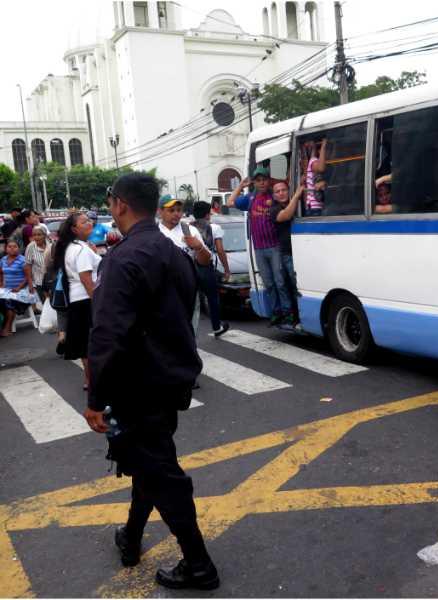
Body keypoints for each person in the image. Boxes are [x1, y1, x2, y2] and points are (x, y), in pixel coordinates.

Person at [83, 172, 219, 591]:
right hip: (169, 380)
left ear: (120, 204)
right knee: (148, 462)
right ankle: (132, 537)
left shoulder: (123, 259)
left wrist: (95, 399)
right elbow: (182, 314)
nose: (110, 208)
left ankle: (198, 564)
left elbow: (107, 336)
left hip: (138, 386)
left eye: (110, 202)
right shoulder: (172, 252)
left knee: (160, 471)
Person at [228, 167, 294, 325]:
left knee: (280, 282)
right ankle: (276, 312)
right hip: (259, 249)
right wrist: (240, 186)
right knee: (269, 283)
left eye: (264, 179)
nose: (262, 182)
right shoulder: (250, 198)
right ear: (254, 182)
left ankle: (288, 312)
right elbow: (230, 202)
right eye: (258, 180)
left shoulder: (274, 195)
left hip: (275, 246)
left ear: (268, 180)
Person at [52, 213, 101, 389]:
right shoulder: (80, 249)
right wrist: (98, 304)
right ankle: (93, 380)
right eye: (84, 221)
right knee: (91, 343)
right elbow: (86, 278)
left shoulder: (74, 247)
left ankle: (89, 379)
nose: (89, 223)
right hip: (86, 300)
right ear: (74, 229)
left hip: (77, 301)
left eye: (89, 220)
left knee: (84, 344)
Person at [158, 194, 211, 336]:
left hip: (187, 290)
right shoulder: (154, 232)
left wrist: (198, 247)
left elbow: (205, 261)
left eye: (179, 210)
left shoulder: (190, 231)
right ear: (160, 211)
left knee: (188, 332)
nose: (176, 213)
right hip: (160, 292)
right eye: (171, 210)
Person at [192, 201, 229, 337]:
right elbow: (220, 250)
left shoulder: (188, 227)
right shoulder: (214, 227)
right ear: (208, 214)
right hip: (206, 267)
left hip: (191, 267)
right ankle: (216, 326)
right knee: (213, 297)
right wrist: (226, 269)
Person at [271, 180, 305, 322]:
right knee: (293, 284)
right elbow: (286, 215)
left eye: (284, 190)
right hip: (288, 253)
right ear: (274, 196)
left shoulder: (296, 202)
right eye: (277, 191)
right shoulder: (274, 209)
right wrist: (296, 196)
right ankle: (295, 315)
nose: (281, 193)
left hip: (302, 250)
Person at [0, 240, 34, 337]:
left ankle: (7, 328)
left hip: (21, 290)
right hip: (7, 290)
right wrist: (1, 283)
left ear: (18, 248)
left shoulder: (23, 260)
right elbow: (1, 273)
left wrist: (19, 287)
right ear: (6, 249)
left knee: (9, 302)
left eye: (14, 246)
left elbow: (28, 277)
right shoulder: (3, 260)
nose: (12, 248)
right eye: (9, 246)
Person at [25, 226, 50, 302]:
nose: (36, 237)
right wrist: (30, 283)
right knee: (45, 304)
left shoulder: (51, 245)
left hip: (52, 281)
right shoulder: (30, 247)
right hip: (39, 282)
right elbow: (28, 266)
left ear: (45, 235)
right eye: (34, 235)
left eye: (39, 234)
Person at [303, 138, 327, 216]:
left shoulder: (312, 160)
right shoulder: (313, 161)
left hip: (314, 206)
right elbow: (321, 168)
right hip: (315, 208)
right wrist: (324, 145)